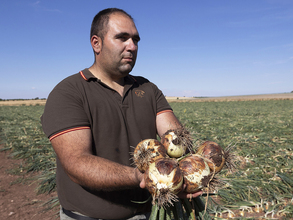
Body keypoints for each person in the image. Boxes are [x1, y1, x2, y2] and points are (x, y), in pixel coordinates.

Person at [41, 8, 201, 220]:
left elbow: (175, 138)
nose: (132, 47)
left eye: (135, 40)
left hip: (148, 213)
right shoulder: (69, 92)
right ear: (96, 43)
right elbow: (76, 162)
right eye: (122, 38)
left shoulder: (148, 89)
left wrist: (195, 163)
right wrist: (140, 176)